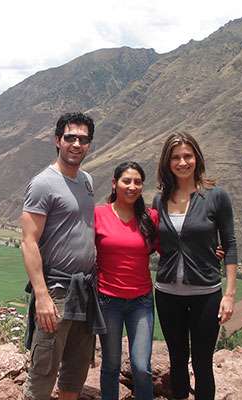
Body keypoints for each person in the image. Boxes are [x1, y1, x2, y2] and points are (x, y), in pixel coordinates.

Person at [21, 112, 106, 400]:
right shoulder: (43, 183)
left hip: (84, 290)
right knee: (43, 373)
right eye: (70, 137)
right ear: (58, 141)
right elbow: (28, 241)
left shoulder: (87, 181)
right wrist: (41, 295)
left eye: (83, 139)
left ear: (89, 145)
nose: (76, 144)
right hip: (56, 292)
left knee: (75, 372)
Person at [153, 132, 238, 400]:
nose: (182, 162)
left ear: (197, 158)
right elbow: (159, 242)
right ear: (167, 162)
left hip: (206, 295)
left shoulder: (216, 196)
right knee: (177, 361)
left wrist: (230, 294)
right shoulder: (159, 199)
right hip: (167, 294)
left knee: (203, 363)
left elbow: (231, 244)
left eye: (187, 156)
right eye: (176, 157)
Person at [95, 161, 158, 400]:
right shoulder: (99, 214)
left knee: (142, 367)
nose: (132, 186)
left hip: (141, 302)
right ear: (114, 184)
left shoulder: (150, 217)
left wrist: (211, 250)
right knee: (110, 365)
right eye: (126, 181)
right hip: (107, 301)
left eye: (138, 182)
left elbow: (171, 247)